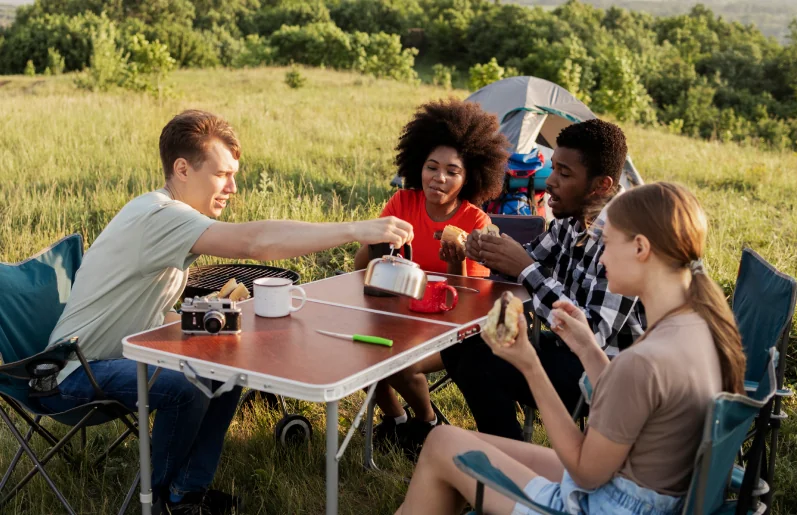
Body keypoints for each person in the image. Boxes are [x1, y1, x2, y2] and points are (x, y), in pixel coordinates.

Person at [41, 110, 414, 515]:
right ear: (182, 169)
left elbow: (149, 313)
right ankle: (159, 498)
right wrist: (355, 229)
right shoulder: (160, 216)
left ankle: (188, 493)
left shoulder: (166, 216)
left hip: (117, 356)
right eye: (222, 174)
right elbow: (257, 241)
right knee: (187, 388)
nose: (232, 187)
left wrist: (216, 326)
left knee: (225, 365)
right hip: (73, 373)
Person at [397, 182, 747, 515]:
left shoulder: (643, 359)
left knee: (442, 443)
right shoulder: (700, 326)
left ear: (641, 248)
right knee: (464, 443)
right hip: (645, 494)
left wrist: (530, 365)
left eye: (607, 244)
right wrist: (586, 347)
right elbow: (634, 405)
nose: (602, 258)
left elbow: (585, 473)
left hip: (604, 504)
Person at [441, 119, 645, 441]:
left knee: (482, 361)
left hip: (612, 374)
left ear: (601, 185)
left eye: (564, 174)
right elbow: (531, 257)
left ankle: (509, 460)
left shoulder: (625, 237)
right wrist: (482, 250)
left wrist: (523, 267)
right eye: (553, 169)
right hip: (572, 351)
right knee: (460, 346)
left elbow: (594, 335)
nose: (549, 182)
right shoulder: (573, 220)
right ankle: (508, 448)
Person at [353, 98, 508, 455]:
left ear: (470, 177)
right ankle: (396, 419)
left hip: (454, 330)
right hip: (401, 316)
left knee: (398, 362)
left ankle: (428, 423)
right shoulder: (401, 204)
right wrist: (372, 239)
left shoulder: (475, 222)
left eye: (452, 171)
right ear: (417, 165)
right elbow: (363, 268)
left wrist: (455, 263)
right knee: (359, 351)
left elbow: (469, 305)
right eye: (431, 167)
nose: (438, 178)